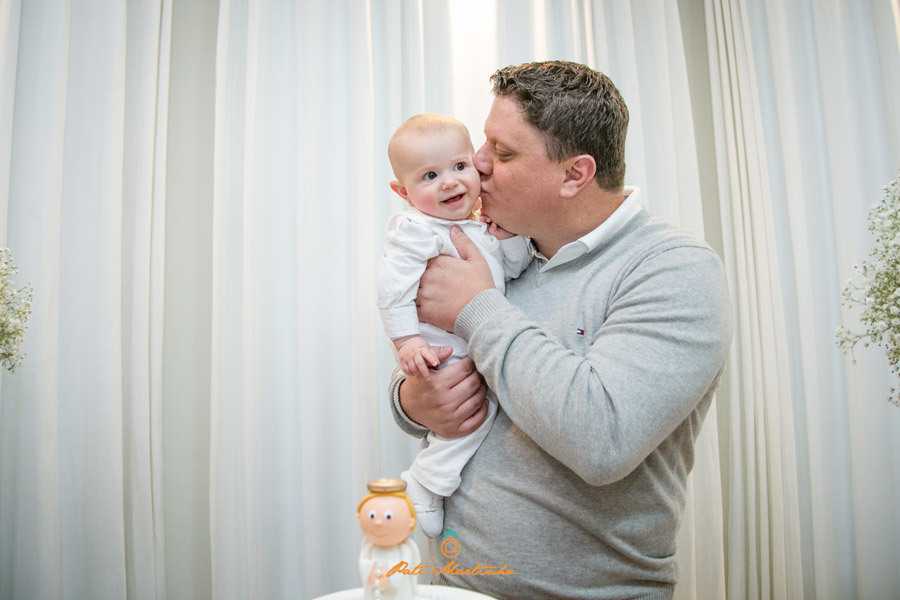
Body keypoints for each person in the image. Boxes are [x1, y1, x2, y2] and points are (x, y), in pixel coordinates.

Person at [388, 61, 733, 599]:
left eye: (502, 153)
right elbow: (446, 365)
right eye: (484, 143)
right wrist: (413, 400)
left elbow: (602, 439)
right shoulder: (502, 249)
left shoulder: (673, 268)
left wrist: (476, 307)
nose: (476, 163)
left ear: (575, 174)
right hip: (454, 583)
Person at [377, 114, 532, 537]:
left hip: (480, 343)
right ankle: (426, 484)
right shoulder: (416, 229)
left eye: (460, 167)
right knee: (470, 418)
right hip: (443, 350)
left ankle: (426, 482)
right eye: (430, 175)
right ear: (402, 192)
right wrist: (407, 340)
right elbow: (393, 289)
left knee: (475, 415)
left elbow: (515, 270)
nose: (450, 182)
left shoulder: (476, 226)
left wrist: (508, 235)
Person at [357, 479, 420, 600]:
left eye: (388, 517)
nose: (378, 522)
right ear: (359, 517)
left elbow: (403, 567)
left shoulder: (405, 550)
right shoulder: (368, 548)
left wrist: (390, 577)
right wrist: (370, 572)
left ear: (410, 522)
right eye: (372, 516)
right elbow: (364, 562)